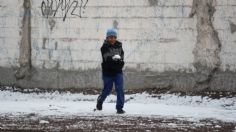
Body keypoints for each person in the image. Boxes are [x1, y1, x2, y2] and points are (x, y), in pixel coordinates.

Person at [96, 28, 125, 114]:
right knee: (107, 89)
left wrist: (119, 63)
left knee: (119, 89)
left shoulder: (119, 46)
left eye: (114, 37)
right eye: (110, 37)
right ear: (107, 38)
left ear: (116, 38)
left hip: (118, 72)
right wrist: (116, 61)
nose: (112, 39)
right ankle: (100, 100)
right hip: (107, 72)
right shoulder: (104, 47)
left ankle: (119, 108)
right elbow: (107, 59)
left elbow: (121, 59)